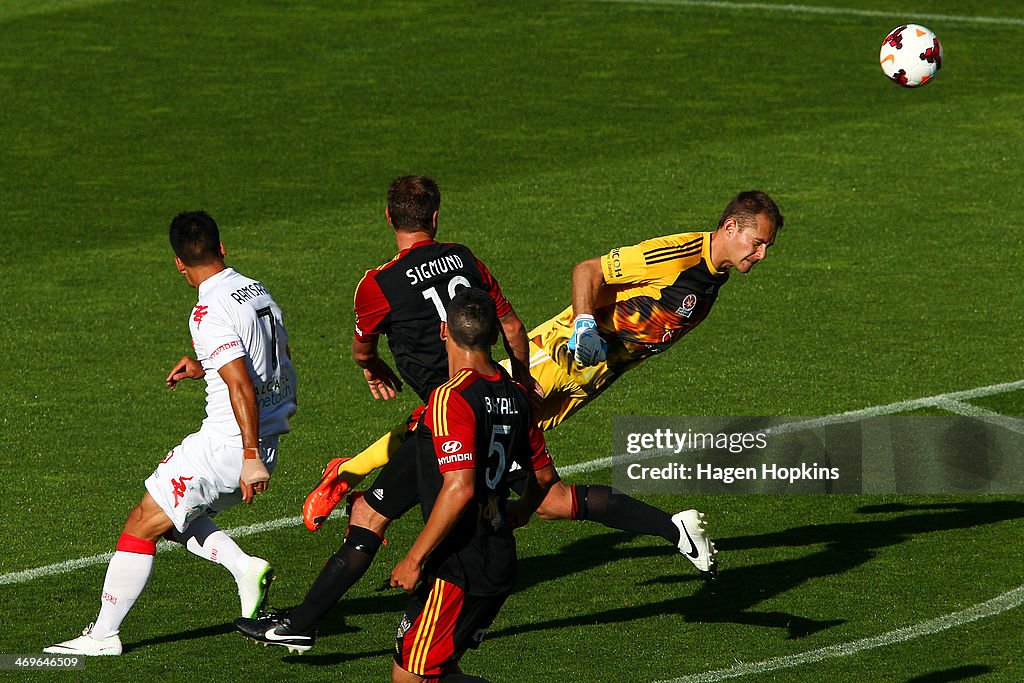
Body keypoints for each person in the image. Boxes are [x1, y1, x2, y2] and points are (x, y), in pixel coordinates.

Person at [234, 175, 537, 652]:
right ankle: (302, 623)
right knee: (372, 511)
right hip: (483, 405)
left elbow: (361, 349)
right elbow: (514, 328)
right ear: (435, 217)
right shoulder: (466, 258)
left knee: (459, 523)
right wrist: (519, 388)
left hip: (446, 419)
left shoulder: (378, 285)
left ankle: (423, 622)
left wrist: (373, 366)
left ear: (389, 218)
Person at [45, 211, 297, 656]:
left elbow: (241, 383)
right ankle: (244, 568)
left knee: (142, 524)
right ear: (222, 249)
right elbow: (268, 364)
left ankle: (103, 635)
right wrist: (206, 369)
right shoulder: (256, 291)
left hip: (231, 444)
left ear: (178, 263)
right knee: (173, 515)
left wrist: (249, 454)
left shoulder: (207, 309)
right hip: (261, 438)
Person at [390, 288, 546, 683]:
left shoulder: (451, 396)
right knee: (443, 671)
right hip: (497, 557)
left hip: (458, 564)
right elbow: (543, 477)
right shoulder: (517, 395)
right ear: (495, 336)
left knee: (412, 677)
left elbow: (459, 487)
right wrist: (523, 509)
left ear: (444, 330)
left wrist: (414, 559)